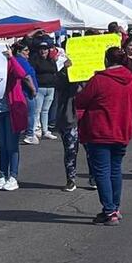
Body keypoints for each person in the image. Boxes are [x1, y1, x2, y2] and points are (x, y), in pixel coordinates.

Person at [76, 47, 132, 226]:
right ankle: (114, 207)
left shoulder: (99, 80)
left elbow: (81, 101)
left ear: (106, 60)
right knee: (115, 169)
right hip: (122, 129)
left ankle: (109, 210)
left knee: (102, 171)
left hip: (101, 130)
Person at [0, 44, 37, 191]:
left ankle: (13, 176)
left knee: (12, 145)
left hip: (12, 110)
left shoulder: (11, 64)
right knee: (2, 145)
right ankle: (2, 174)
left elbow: (22, 74)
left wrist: (11, 58)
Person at [54, 55, 82, 191]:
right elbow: (57, 82)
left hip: (88, 118)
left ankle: (94, 177)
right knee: (70, 150)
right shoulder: (65, 72)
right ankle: (71, 179)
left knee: (92, 151)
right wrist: (65, 70)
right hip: (70, 117)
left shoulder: (96, 73)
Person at [29, 41, 58, 140]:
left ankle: (45, 130)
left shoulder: (51, 60)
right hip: (40, 88)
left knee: (45, 110)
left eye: (45, 49)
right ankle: (35, 130)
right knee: (37, 110)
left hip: (51, 87)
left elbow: (55, 71)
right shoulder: (35, 61)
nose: (43, 51)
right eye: (41, 49)